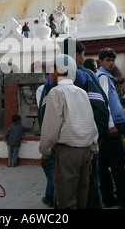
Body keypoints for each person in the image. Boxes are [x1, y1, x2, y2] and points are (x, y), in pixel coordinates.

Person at [39, 38, 110, 209]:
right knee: (87, 193)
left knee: (65, 197)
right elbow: (98, 112)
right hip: (86, 149)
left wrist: (45, 152)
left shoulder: (54, 88)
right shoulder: (84, 84)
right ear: (77, 56)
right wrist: (95, 145)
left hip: (65, 151)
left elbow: (49, 123)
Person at [97, 47, 125, 209]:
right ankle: (124, 200)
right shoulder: (102, 77)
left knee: (103, 164)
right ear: (100, 62)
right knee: (117, 164)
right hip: (111, 127)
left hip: (108, 126)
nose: (111, 63)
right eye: (108, 60)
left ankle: (108, 197)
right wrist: (110, 125)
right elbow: (103, 103)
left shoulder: (106, 77)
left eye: (113, 60)